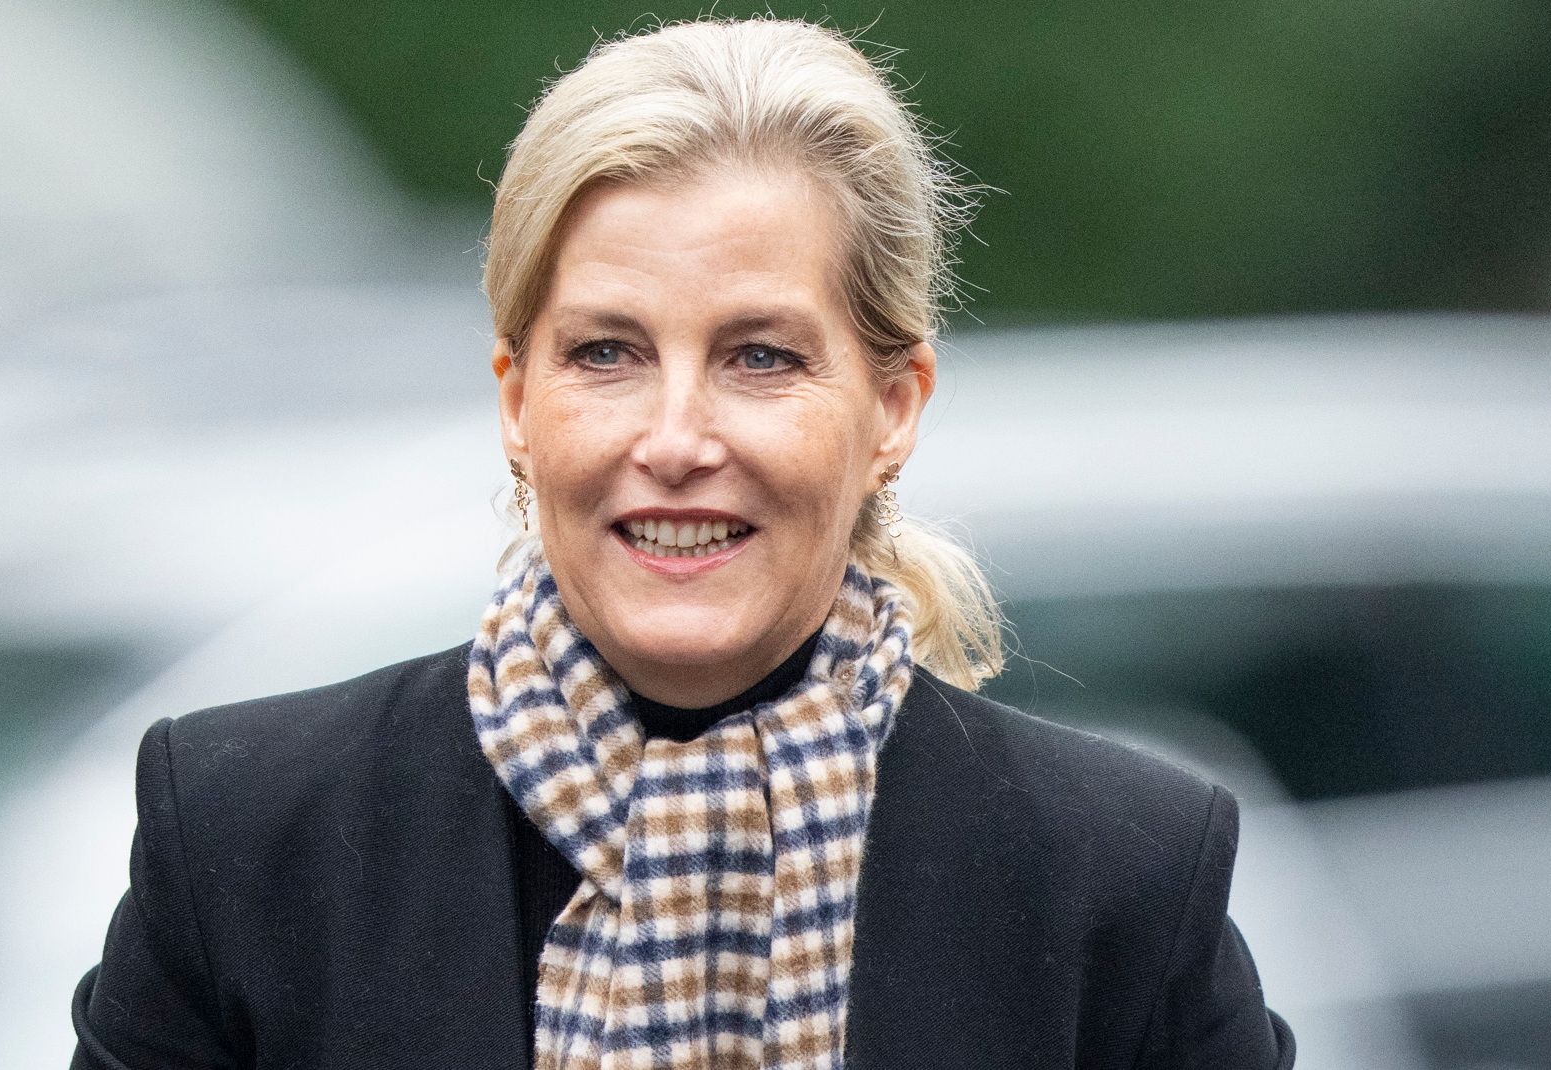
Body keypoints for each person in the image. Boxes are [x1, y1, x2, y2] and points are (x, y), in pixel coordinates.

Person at [70, 17, 1293, 1070]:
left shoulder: (1117, 878)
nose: (674, 436)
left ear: (894, 406)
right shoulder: (245, 834)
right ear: (515, 398)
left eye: (760, 356)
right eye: (606, 352)